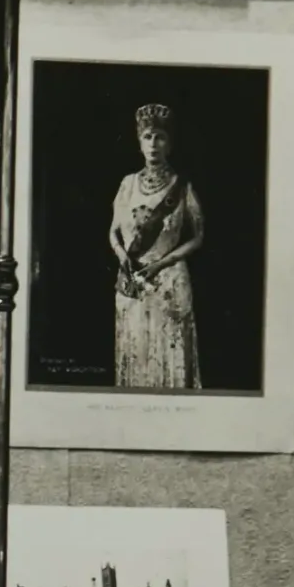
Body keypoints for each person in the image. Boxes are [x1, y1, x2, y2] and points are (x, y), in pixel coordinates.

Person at [108, 101, 203, 390]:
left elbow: (198, 236)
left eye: (160, 137)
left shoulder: (182, 187)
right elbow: (113, 232)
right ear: (139, 143)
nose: (153, 144)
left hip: (169, 283)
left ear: (169, 144)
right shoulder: (127, 185)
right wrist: (122, 255)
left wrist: (161, 264)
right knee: (136, 350)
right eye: (147, 137)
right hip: (133, 282)